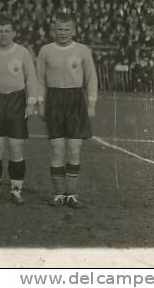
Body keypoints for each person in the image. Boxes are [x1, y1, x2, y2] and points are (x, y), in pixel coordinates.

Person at [37, 12, 99, 208]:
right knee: (57, 149)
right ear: (54, 30)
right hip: (54, 100)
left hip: (75, 101)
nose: (63, 33)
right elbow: (39, 80)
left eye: (67, 29)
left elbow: (92, 79)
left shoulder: (82, 50)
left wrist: (91, 104)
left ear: (73, 30)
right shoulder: (45, 51)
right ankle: (58, 194)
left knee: (74, 149)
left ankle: (71, 195)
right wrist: (40, 103)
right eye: (59, 29)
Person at [0, 15, 39, 204]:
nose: (3, 35)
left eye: (7, 31)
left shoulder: (23, 53)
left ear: (13, 33)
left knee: (16, 147)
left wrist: (31, 103)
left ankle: (16, 190)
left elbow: (31, 78)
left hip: (16, 101)